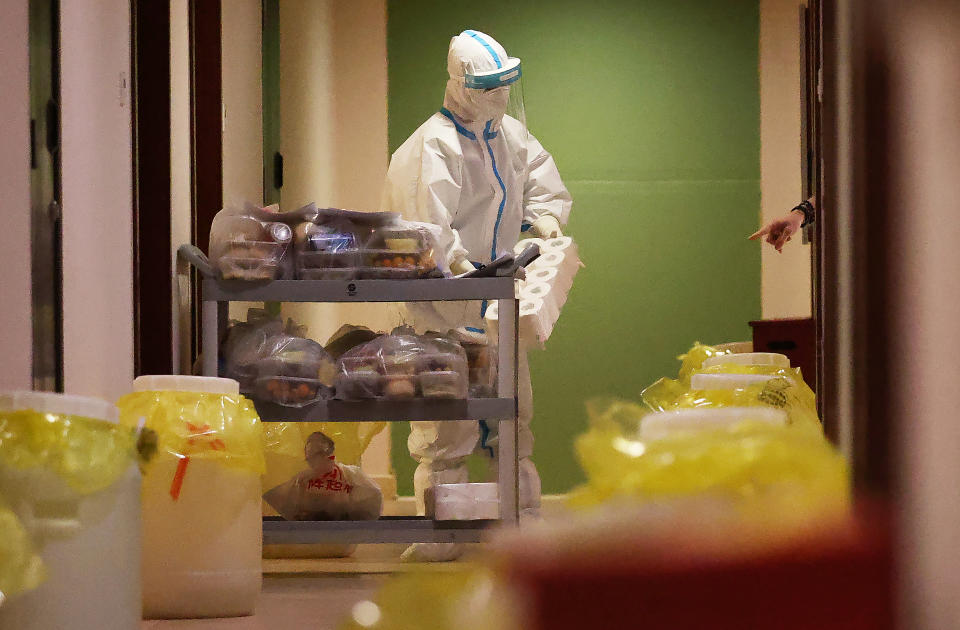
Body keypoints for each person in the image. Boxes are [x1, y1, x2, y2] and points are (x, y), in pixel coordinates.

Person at [382, 30, 572, 559]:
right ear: (461, 84)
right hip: (442, 302)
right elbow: (427, 226)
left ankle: (519, 521)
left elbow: (542, 181)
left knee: (512, 411)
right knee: (448, 417)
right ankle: (444, 531)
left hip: (497, 297)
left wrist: (548, 221)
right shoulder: (431, 146)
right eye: (488, 87)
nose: (499, 96)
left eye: (504, 85)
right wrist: (464, 267)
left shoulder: (509, 135)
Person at [750, 197, 816, 252]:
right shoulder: (776, 225)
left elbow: (766, 230)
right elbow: (766, 230)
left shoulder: (777, 226)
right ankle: (783, 237)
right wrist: (758, 234)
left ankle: (783, 237)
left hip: (800, 218)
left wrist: (780, 244)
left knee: (777, 229)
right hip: (800, 213)